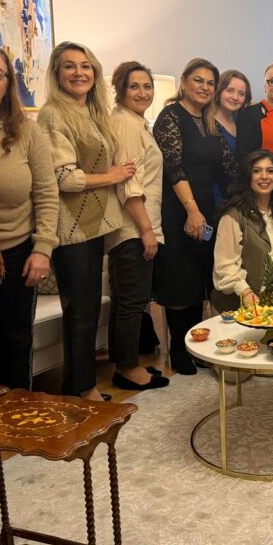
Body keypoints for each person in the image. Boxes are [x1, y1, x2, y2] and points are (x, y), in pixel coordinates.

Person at [0, 44, 58, 391]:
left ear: (8, 84)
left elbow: (46, 192)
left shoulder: (26, 131)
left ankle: (18, 417)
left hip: (15, 253)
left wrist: (43, 248)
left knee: (15, 343)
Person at [38, 41, 127, 402]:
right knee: (80, 310)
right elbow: (65, 178)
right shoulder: (52, 115)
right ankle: (81, 388)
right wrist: (112, 176)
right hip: (69, 226)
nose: (79, 73)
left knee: (87, 307)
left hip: (93, 223)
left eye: (85, 66)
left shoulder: (91, 113)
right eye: (70, 66)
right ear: (57, 73)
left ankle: (77, 383)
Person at [153, 58, 238, 375]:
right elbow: (173, 167)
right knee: (181, 280)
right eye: (198, 80)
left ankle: (195, 345)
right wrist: (192, 210)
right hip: (179, 209)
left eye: (210, 83)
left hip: (207, 209)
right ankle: (178, 350)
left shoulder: (210, 121)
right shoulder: (170, 116)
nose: (204, 87)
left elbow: (228, 167)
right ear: (184, 82)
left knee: (200, 280)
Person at [106, 62, 170, 392]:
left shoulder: (135, 122)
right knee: (133, 301)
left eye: (147, 86)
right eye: (134, 86)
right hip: (133, 227)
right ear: (120, 89)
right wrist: (147, 231)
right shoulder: (126, 125)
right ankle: (128, 369)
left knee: (125, 300)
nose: (143, 92)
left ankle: (125, 363)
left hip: (134, 226)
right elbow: (129, 185)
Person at [211, 150, 273, 311]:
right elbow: (225, 265)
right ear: (247, 176)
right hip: (241, 309)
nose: (264, 176)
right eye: (256, 171)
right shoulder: (233, 215)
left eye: (270, 171)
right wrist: (246, 293)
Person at [213, 69, 250, 206]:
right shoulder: (206, 122)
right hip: (214, 197)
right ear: (219, 91)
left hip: (239, 197)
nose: (235, 97)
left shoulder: (243, 122)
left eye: (241, 93)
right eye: (229, 90)